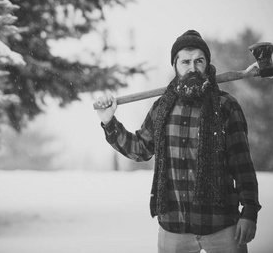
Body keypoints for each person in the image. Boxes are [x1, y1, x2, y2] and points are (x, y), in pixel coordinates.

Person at [95, 30, 261, 253]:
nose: (192, 68)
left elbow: (242, 165)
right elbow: (140, 149)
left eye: (198, 61)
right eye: (185, 62)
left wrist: (250, 211)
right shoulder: (162, 108)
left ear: (207, 64)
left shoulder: (226, 107)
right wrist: (109, 122)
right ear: (175, 65)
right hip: (173, 227)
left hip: (222, 226)